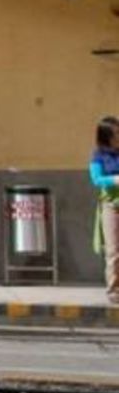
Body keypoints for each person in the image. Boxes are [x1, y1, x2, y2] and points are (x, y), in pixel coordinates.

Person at [90, 117, 119, 304]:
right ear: (106, 136)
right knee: (114, 250)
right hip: (111, 205)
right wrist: (115, 180)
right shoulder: (98, 155)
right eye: (116, 133)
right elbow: (96, 179)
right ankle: (114, 290)